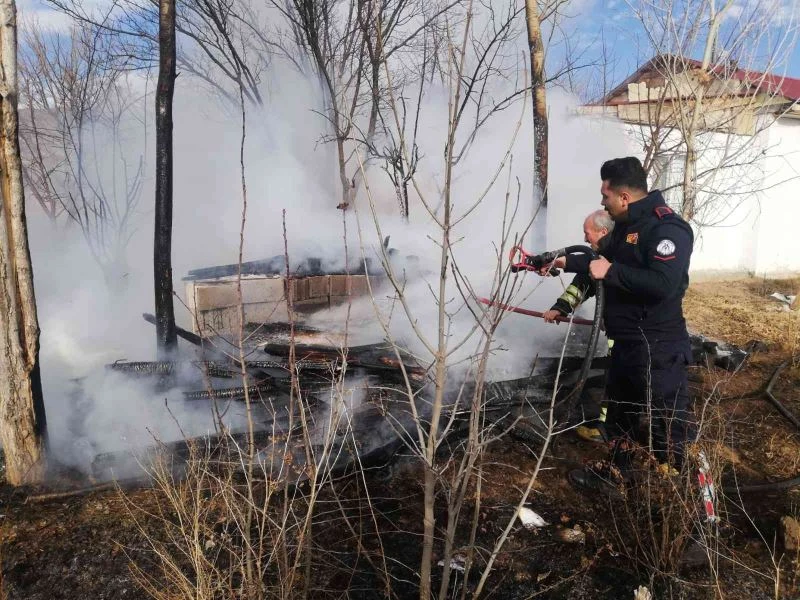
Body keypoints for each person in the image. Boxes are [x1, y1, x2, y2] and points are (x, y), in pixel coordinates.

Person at [547, 156, 696, 493]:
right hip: (627, 344)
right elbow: (594, 261)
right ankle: (616, 475)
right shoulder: (626, 227)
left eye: (606, 196)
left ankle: (672, 495)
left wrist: (612, 272)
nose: (603, 202)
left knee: (666, 422)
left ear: (624, 196)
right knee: (621, 415)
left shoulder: (667, 229)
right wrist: (556, 261)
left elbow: (663, 283)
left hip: (658, 346)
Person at [541, 210, 614, 444]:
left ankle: (621, 432)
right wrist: (560, 308)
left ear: (603, 232)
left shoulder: (620, 255)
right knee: (615, 378)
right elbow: (582, 284)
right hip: (618, 332)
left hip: (637, 333)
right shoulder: (598, 260)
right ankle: (607, 428)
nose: (584, 239)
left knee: (626, 380)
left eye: (587, 233)